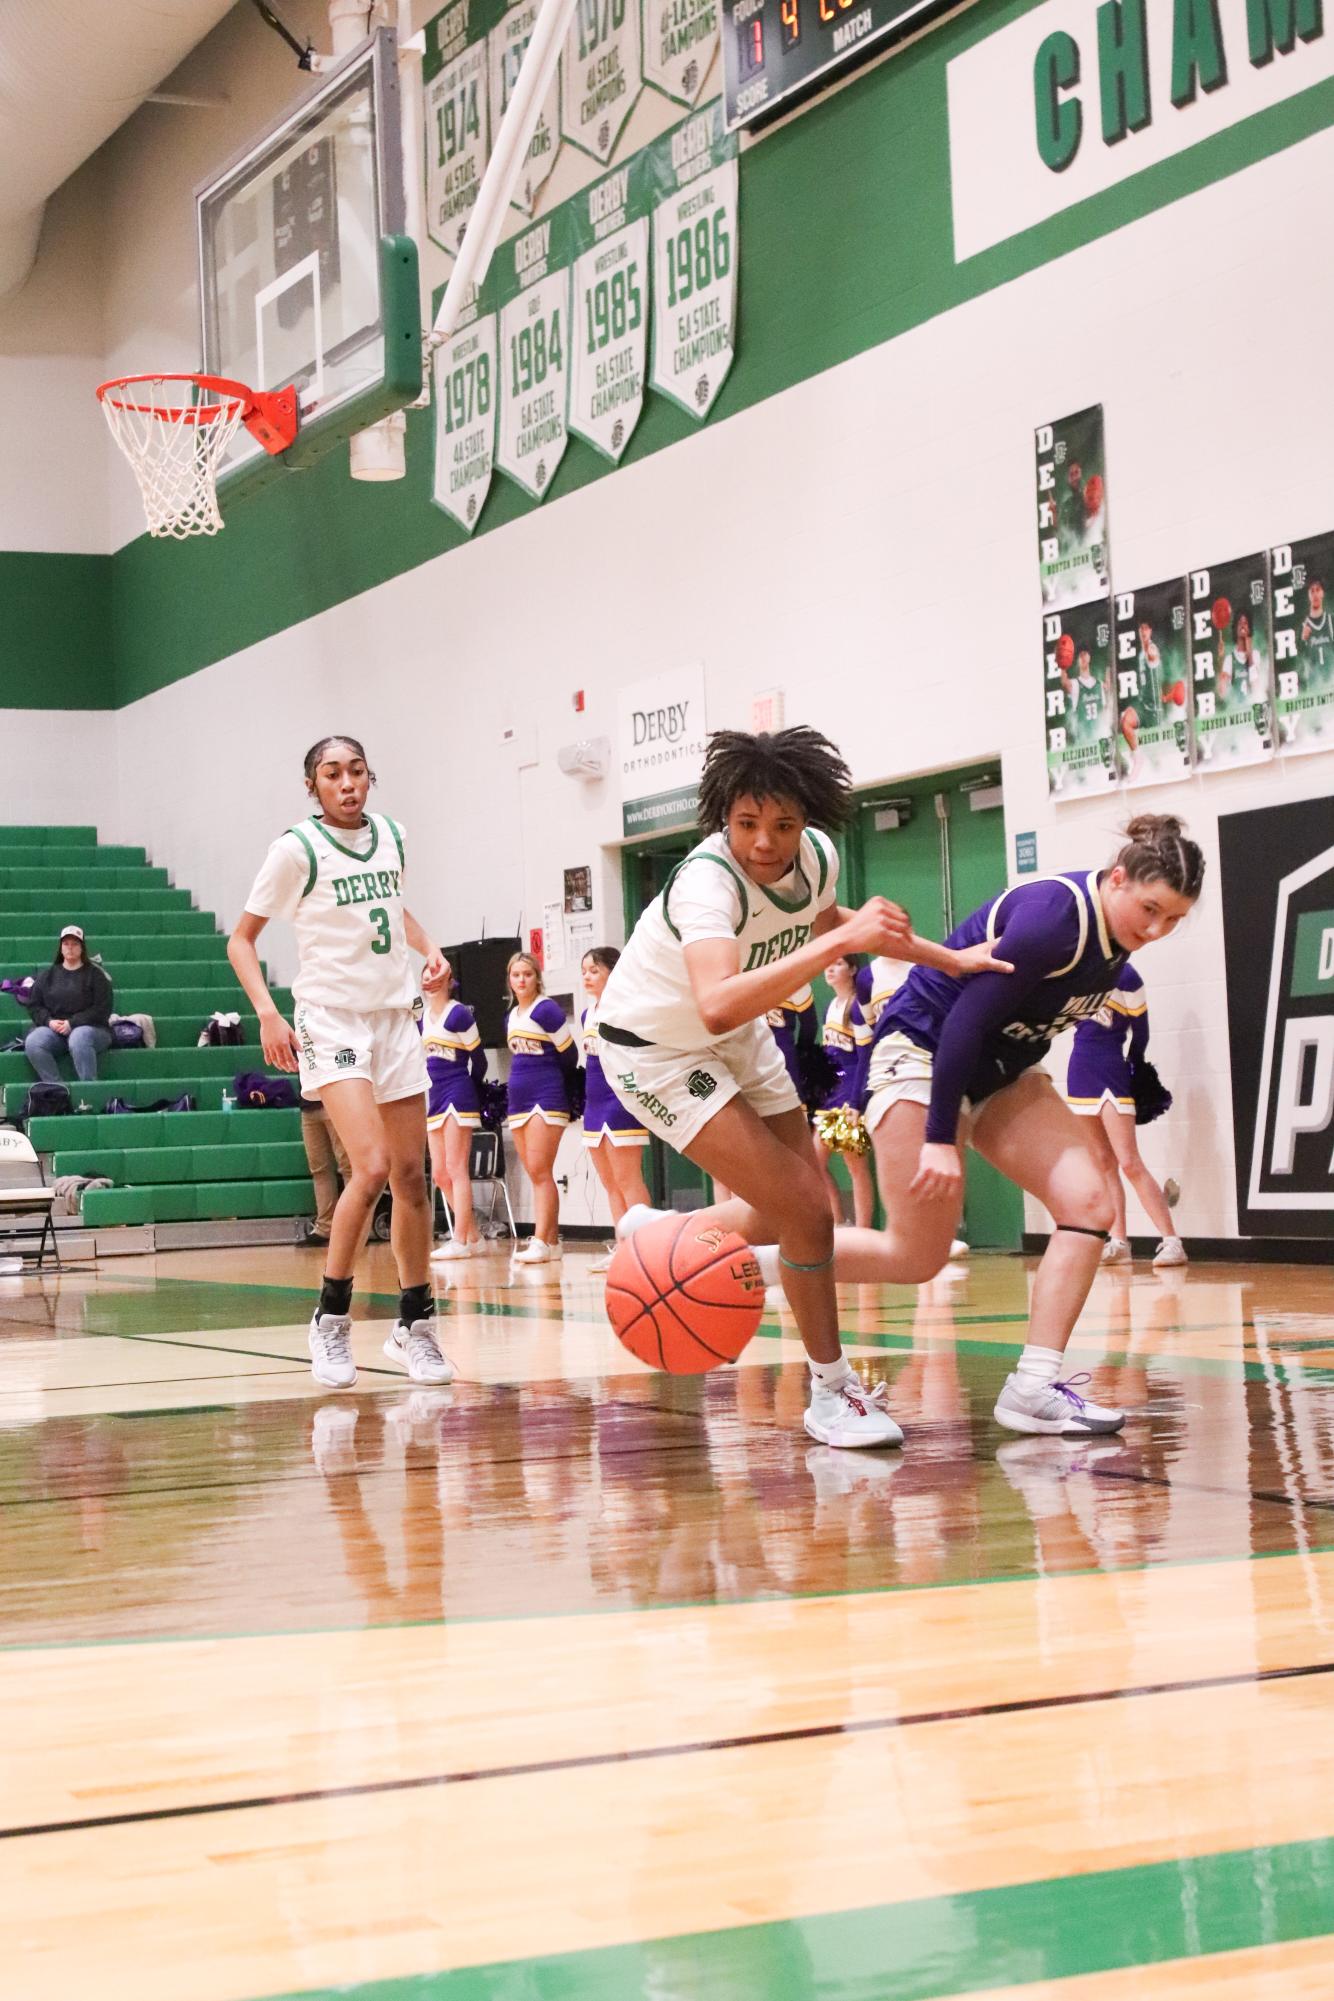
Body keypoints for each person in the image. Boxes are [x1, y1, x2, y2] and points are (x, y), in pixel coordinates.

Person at [600, 726, 1009, 1450]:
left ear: (807, 821)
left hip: (735, 1033)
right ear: (724, 815)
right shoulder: (705, 884)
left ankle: (665, 1234)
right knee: (804, 1211)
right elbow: (719, 998)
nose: (765, 841)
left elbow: (840, 926)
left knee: (805, 1207)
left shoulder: (814, 859)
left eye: (784, 824)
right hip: (657, 1049)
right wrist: (836, 946)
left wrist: (951, 959)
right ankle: (829, 1391)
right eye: (748, 823)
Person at [776, 813, 1205, 1438]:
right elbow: (963, 1026)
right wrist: (940, 1137)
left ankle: (1033, 1387)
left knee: (1088, 1201)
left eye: (1173, 920)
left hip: (1000, 1071)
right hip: (924, 1049)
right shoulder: (1055, 920)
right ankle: (741, 1265)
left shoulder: (1119, 942)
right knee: (916, 1256)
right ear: (1117, 879)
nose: (1158, 929)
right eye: (1151, 909)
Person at [227, 735, 453, 1390]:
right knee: (373, 1164)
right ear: (313, 785)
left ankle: (417, 1323)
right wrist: (268, 1012)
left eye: (356, 770)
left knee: (413, 1174)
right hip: (330, 1016)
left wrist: (429, 943)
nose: (347, 782)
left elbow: (387, 907)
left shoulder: (392, 835)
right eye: (333, 774)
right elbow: (241, 939)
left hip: (392, 1015)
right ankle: (330, 1313)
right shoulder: (295, 849)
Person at [1066, 961, 1185, 1268]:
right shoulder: (1076, 972)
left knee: (1130, 1162)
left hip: (1112, 1071)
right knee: (1103, 1163)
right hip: (1079, 1071)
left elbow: (1140, 1035)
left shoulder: (1128, 977)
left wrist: (1133, 1070)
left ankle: (1171, 1241)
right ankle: (1119, 1242)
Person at [579, 948, 651, 1274]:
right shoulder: (585, 1014)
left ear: (613, 971)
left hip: (620, 1099)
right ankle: (623, 1246)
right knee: (610, 1183)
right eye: (584, 971)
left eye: (594, 970)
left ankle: (646, 1248)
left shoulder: (625, 1007)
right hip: (593, 1102)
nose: (587, 976)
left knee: (627, 1179)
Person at [505, 951, 578, 1266]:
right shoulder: (511, 1015)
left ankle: (540, 1240)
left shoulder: (546, 1010)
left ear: (537, 978)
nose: (521, 980)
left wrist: (552, 1081)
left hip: (546, 1095)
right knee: (535, 1172)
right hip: (518, 1099)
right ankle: (550, 1242)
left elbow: (569, 1054)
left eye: (527, 974)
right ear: (509, 980)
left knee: (539, 1169)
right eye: (516, 975)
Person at [421, 959, 488, 1262]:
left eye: (437, 975)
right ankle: (472, 1234)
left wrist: (470, 1092)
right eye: (426, 974)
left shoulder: (459, 1014)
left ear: (449, 981)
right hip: (434, 1097)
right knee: (439, 1174)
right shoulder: (421, 1018)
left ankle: (460, 1238)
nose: (431, 979)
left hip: (458, 1093)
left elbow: (480, 1060)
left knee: (456, 1168)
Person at [812, 954, 875, 1229]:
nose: (829, 968)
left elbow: (864, 1057)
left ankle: (863, 1231)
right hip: (830, 1095)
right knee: (814, 1164)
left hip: (849, 1095)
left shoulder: (856, 1007)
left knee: (856, 1168)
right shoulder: (830, 1006)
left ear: (852, 969)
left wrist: (856, 1100)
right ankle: (836, 1224)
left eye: (837, 963)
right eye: (829, 963)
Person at [24, 927, 114, 1083]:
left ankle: (88, 1091)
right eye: (66, 943)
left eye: (75, 944)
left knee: (79, 1037)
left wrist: (73, 1023)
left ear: (82, 948)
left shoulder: (95, 975)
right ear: (61, 948)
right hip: (56, 1031)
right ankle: (57, 1089)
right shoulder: (47, 975)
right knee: (34, 1041)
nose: (70, 947)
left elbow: (102, 1009)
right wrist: (49, 1021)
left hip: (93, 1030)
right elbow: (34, 1006)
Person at [299, 1093, 352, 1247]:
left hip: (336, 1102)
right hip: (308, 1107)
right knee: (319, 1169)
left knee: (348, 1168)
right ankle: (324, 1228)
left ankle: (353, 1227)